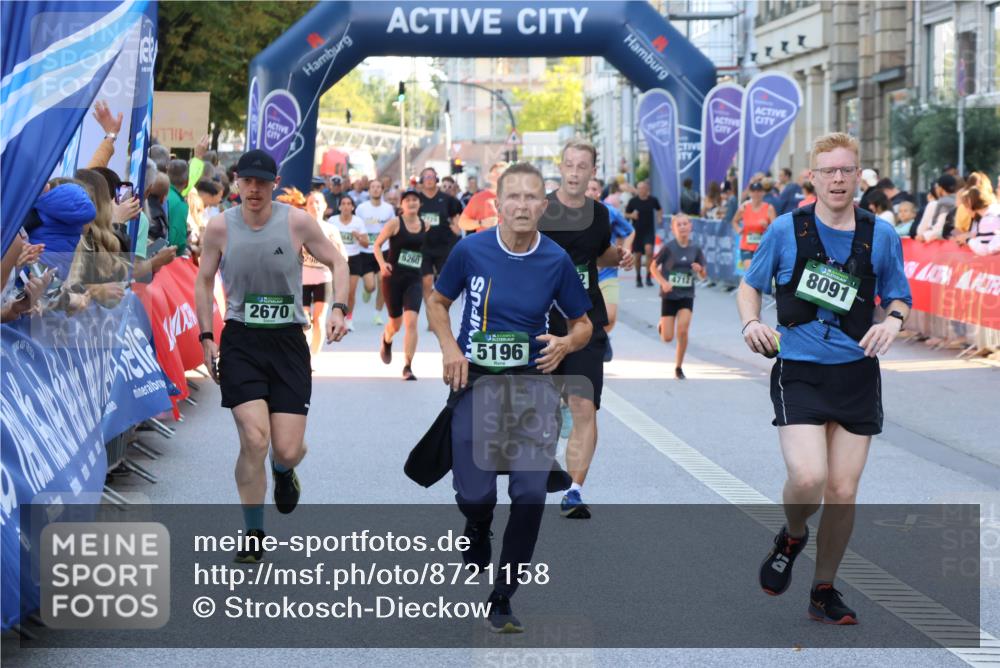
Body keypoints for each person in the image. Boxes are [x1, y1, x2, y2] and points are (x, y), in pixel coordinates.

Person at [737, 132, 912, 625]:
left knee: (841, 491)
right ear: (811, 177)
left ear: (859, 176)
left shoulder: (880, 235)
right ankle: (792, 534)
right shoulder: (785, 230)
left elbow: (899, 296)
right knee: (809, 477)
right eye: (828, 170)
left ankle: (823, 589)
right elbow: (750, 287)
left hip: (857, 373)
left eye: (847, 170)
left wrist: (892, 323)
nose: (838, 178)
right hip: (800, 371)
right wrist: (751, 322)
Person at [427, 162, 594, 633]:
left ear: (545, 206)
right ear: (496, 204)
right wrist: (449, 347)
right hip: (477, 382)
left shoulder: (555, 259)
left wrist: (566, 342)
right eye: (513, 197)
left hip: (532, 386)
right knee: (475, 492)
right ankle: (478, 523)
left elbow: (582, 323)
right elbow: (437, 302)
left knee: (528, 492)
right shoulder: (472, 250)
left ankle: (503, 592)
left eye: (531, 198)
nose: (522, 205)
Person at [195, 150, 350, 564]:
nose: (254, 188)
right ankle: (253, 532)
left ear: (275, 183)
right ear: (236, 181)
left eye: (262, 182)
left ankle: (284, 471)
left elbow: (337, 260)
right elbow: (204, 279)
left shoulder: (296, 221)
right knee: (254, 438)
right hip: (241, 341)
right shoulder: (218, 227)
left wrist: (339, 307)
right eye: (247, 181)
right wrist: (207, 335)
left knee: (285, 449)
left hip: (287, 343)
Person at [539, 140, 632, 519]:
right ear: (561, 167)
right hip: (543, 320)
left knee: (583, 405)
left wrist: (619, 256)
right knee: (545, 407)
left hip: (585, 319)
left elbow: (599, 253)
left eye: (583, 166)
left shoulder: (599, 214)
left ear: (593, 172)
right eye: (569, 165)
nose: (575, 172)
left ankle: (574, 490)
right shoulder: (541, 209)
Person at [374, 189, 428, 380]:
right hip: (393, 278)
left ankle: (408, 366)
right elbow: (377, 245)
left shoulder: (425, 225)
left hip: (414, 278)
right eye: (408, 200)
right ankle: (386, 340)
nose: (412, 203)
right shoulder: (395, 223)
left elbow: (423, 251)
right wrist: (382, 264)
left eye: (415, 200)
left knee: (411, 322)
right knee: (395, 325)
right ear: (402, 205)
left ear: (419, 204)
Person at [650, 213, 707, 379]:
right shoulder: (668, 247)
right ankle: (662, 325)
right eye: (679, 225)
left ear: (690, 226)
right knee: (667, 338)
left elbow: (704, 275)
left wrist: (700, 270)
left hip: (687, 295)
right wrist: (663, 282)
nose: (682, 227)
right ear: (673, 228)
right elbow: (653, 267)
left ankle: (679, 367)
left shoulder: (695, 248)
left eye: (685, 224)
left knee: (683, 330)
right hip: (669, 295)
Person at [587, 178, 634, 361]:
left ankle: (599, 337)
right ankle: (591, 342)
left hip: (607, 273)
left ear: (599, 192)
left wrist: (626, 251)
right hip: (583, 275)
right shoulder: (571, 215)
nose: (591, 192)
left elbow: (630, 231)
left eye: (595, 189)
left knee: (610, 317)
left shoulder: (609, 212)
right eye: (588, 188)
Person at [300, 191, 342, 355]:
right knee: (304, 319)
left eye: (318, 202)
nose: (314, 206)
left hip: (324, 278)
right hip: (303, 278)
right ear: (306, 206)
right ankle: (305, 345)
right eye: (311, 202)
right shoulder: (300, 228)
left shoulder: (331, 229)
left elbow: (342, 255)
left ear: (324, 206)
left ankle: (313, 357)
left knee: (318, 319)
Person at [417, 166, 463, 304]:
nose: (429, 180)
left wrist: (456, 227)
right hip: (423, 246)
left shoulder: (448, 199)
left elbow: (457, 220)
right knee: (427, 280)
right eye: (426, 177)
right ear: (421, 180)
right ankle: (430, 314)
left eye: (432, 177)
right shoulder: (416, 200)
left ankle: (439, 309)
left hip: (444, 246)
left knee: (443, 282)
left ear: (436, 179)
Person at [356, 178, 395, 325]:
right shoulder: (362, 208)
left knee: (383, 281)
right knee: (371, 285)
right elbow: (356, 225)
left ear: (382, 190)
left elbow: (393, 228)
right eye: (373, 187)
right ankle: (367, 290)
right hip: (365, 250)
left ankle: (377, 313)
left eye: (379, 187)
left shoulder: (388, 209)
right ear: (369, 190)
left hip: (383, 249)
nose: (376, 189)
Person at [329, 193, 370, 330]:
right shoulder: (332, 221)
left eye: (349, 204)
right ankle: (337, 317)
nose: (346, 206)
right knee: (337, 291)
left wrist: (358, 236)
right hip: (338, 259)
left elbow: (366, 244)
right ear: (339, 207)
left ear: (352, 207)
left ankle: (349, 318)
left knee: (351, 292)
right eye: (343, 204)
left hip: (354, 258)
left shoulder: (358, 222)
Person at [624, 180, 662, 287]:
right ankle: (638, 277)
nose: (642, 190)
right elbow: (626, 214)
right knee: (638, 256)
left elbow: (659, 209)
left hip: (649, 231)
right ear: (637, 190)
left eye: (644, 188)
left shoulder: (653, 200)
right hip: (637, 232)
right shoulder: (633, 201)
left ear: (647, 190)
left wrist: (659, 218)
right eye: (639, 188)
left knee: (649, 251)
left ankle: (649, 276)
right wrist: (632, 216)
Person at [732, 182, 777, 271]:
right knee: (750, 271)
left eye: (759, 191)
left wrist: (767, 226)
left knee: (760, 273)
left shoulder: (769, 208)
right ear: (750, 193)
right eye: (754, 191)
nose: (756, 194)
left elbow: (776, 229)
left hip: (763, 247)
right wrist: (738, 229)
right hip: (746, 246)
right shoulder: (744, 207)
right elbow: (734, 221)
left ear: (763, 193)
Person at [459, 162, 507, 233]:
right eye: (496, 174)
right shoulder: (479, 198)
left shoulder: (517, 198)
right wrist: (481, 223)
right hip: (485, 242)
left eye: (503, 174)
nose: (499, 177)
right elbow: (462, 223)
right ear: (490, 177)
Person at [915, 174, 958, 242]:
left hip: (934, 245)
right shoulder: (960, 203)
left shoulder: (935, 204)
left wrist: (925, 236)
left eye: (936, 187)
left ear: (940, 188)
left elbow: (921, 230)